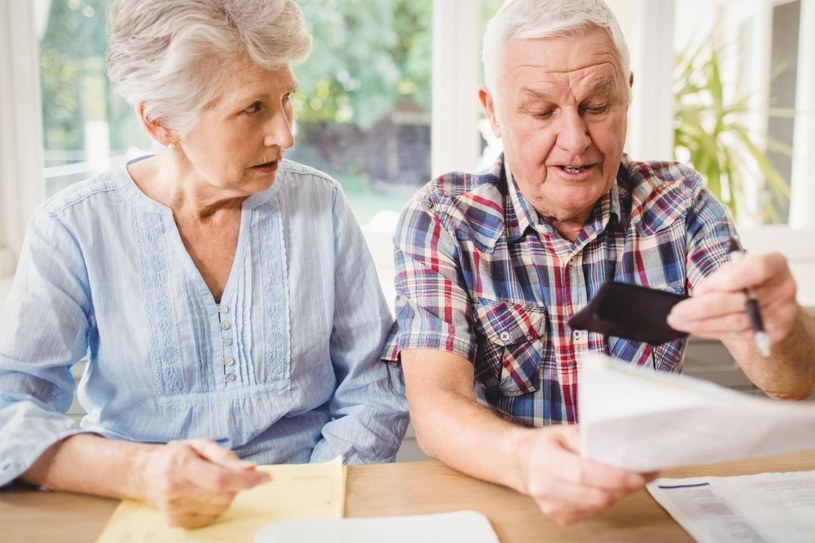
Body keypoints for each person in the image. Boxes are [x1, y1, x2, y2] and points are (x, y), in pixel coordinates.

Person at [387, 0, 815, 526]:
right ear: (493, 112)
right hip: (511, 499)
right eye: (542, 112)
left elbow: (786, 380)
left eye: (597, 105)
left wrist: (782, 323)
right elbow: (435, 404)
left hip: (650, 507)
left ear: (627, 92)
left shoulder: (680, 206)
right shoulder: (442, 219)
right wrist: (528, 459)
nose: (576, 141)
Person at [0, 0, 408, 529]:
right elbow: (10, 408)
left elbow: (372, 389)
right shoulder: (73, 228)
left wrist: (310, 510)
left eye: (286, 99)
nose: (286, 134)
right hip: (143, 511)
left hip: (313, 507)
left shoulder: (320, 204)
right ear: (162, 122)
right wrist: (141, 472)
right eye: (253, 108)